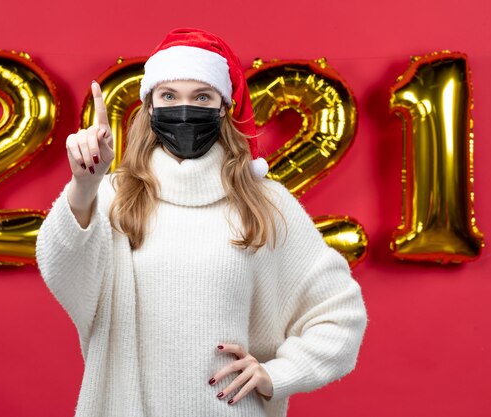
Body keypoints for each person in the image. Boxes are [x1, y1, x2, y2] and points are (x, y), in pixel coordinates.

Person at [36, 27, 368, 417]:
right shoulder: (114, 195)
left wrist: (278, 374)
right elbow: (62, 269)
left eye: (202, 97)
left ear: (223, 107)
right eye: (169, 96)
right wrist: (84, 185)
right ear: (150, 105)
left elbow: (339, 313)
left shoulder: (263, 202)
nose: (184, 109)